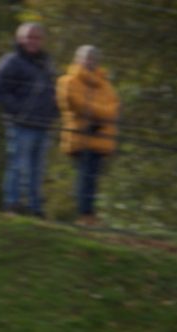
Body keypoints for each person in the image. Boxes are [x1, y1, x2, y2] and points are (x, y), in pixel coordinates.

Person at [0, 22, 58, 216]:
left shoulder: (45, 64)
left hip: (43, 125)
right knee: (18, 167)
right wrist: (17, 111)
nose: (33, 41)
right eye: (29, 37)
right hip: (21, 124)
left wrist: (53, 112)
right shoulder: (11, 62)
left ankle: (36, 207)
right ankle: (12, 205)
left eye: (37, 37)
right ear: (20, 39)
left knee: (38, 170)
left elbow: (52, 92)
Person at [57, 45, 118, 225]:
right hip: (81, 136)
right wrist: (100, 112)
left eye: (93, 58)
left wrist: (95, 113)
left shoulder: (106, 85)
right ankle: (84, 214)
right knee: (85, 176)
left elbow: (113, 109)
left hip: (100, 137)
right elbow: (75, 104)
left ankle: (90, 214)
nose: (90, 61)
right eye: (86, 58)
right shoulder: (68, 81)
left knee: (92, 178)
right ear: (77, 59)